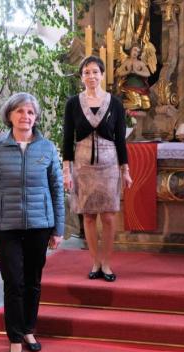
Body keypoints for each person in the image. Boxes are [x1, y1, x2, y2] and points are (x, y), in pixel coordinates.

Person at [0, 92, 65, 352]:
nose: (25, 117)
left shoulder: (47, 148)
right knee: (14, 282)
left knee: (33, 282)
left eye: (30, 112)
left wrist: (58, 228)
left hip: (40, 225)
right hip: (7, 225)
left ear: (36, 117)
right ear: (10, 116)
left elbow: (56, 191)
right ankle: (15, 338)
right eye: (19, 111)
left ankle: (29, 330)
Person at [63, 56, 133, 282]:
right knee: (89, 216)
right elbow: (66, 139)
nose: (91, 76)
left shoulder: (115, 103)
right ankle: (95, 261)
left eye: (95, 72)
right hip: (83, 164)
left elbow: (121, 141)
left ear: (102, 75)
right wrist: (66, 171)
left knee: (110, 217)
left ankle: (107, 261)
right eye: (86, 72)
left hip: (109, 163)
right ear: (81, 76)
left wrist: (126, 171)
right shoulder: (73, 103)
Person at [116, 45, 152, 111]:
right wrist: (127, 72)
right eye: (135, 50)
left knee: (147, 106)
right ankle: (119, 105)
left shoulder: (140, 63)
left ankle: (123, 106)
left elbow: (148, 74)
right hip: (130, 86)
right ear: (131, 50)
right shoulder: (127, 62)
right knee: (137, 104)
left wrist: (137, 72)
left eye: (138, 52)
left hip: (141, 87)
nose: (136, 53)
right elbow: (119, 72)